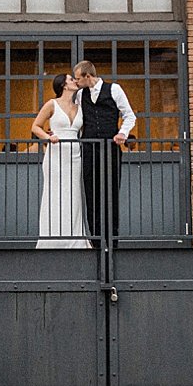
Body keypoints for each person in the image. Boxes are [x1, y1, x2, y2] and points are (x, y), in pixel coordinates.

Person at [73, 59, 136, 245]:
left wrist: (122, 133)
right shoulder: (79, 95)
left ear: (88, 76)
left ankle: (112, 242)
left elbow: (129, 115)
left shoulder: (114, 89)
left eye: (78, 79)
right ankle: (96, 242)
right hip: (89, 150)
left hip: (110, 149)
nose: (76, 82)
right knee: (91, 195)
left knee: (111, 194)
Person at [30, 73, 88, 249]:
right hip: (56, 154)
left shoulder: (80, 107)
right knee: (55, 195)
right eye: (71, 79)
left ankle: (75, 239)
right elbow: (35, 126)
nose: (75, 81)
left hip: (74, 155)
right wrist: (49, 138)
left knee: (74, 195)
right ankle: (52, 238)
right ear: (63, 85)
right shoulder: (51, 104)